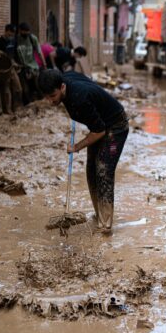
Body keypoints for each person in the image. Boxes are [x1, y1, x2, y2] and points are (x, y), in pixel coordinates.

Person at [38, 69, 129, 234]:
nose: (50, 101)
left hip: (115, 126)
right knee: (91, 169)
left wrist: (76, 147)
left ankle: (105, 225)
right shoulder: (63, 80)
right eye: (46, 96)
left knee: (103, 169)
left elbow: (99, 132)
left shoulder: (80, 98)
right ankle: (98, 213)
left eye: (52, 96)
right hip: (100, 124)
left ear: (63, 87)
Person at [0, 24, 22, 114]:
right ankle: (8, 110)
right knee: (6, 90)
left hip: (12, 67)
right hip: (4, 69)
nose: (11, 36)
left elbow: (15, 53)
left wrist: (16, 63)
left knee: (18, 88)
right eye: (10, 33)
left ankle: (17, 107)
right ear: (6, 31)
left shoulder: (13, 41)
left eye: (13, 34)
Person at [15, 22, 45, 104]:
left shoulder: (32, 38)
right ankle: (28, 105)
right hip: (22, 68)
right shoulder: (16, 40)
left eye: (28, 32)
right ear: (20, 31)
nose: (26, 34)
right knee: (25, 89)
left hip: (33, 67)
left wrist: (44, 65)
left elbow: (39, 52)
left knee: (37, 86)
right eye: (24, 32)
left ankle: (42, 103)